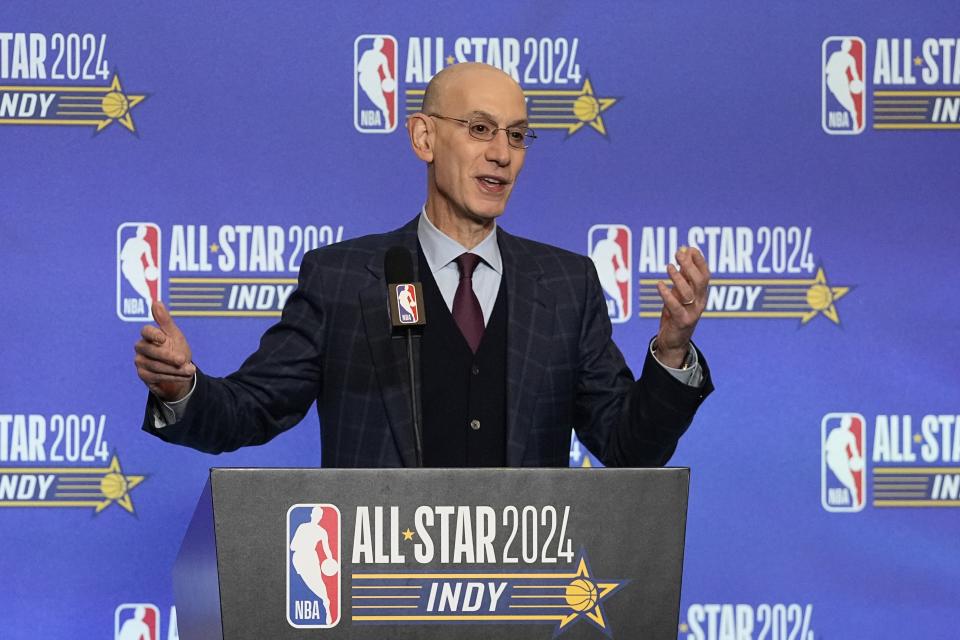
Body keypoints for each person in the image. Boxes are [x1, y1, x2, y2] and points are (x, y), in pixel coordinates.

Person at [135, 62, 713, 467]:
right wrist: (183, 387)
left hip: (521, 599)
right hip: (382, 600)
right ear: (423, 137)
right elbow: (251, 411)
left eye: (517, 135)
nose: (502, 153)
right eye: (480, 129)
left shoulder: (566, 285)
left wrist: (672, 352)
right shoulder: (342, 279)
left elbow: (627, 445)